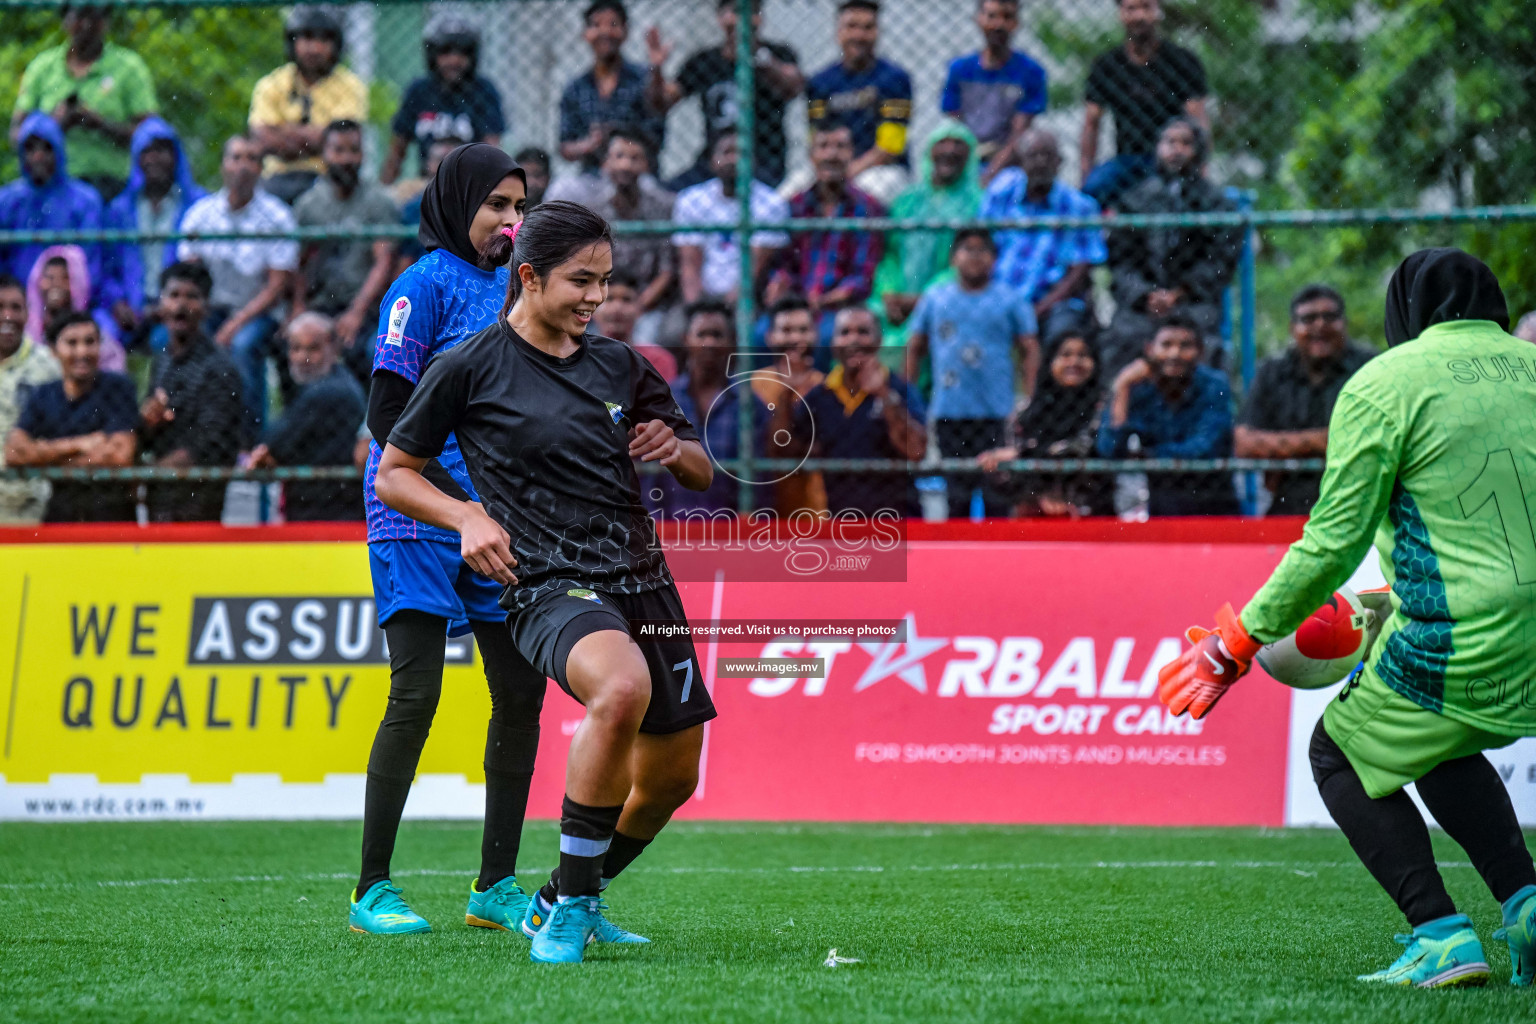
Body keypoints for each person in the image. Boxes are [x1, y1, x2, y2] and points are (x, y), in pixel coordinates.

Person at [1157, 248, 1536, 989]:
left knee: (1339, 753)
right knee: (1431, 740)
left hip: (1465, 637)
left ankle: (1439, 935)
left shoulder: (1387, 382)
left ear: (1404, 313)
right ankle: (1529, 907)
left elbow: (1331, 545)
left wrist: (1233, 646)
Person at [375, 201, 717, 963]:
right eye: (581, 281)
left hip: (642, 578)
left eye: (606, 280)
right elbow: (395, 473)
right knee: (619, 689)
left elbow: (699, 467)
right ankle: (566, 919)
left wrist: (673, 447)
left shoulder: (624, 364)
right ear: (528, 276)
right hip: (545, 582)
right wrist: (465, 517)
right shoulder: (467, 366)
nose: (598, 298)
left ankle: (565, 896)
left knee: (669, 780)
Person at [350, 144, 549, 940]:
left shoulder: (516, 289)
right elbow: (383, 419)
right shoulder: (422, 284)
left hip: (489, 522)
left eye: (520, 206)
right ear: (458, 201)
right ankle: (371, 889)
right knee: (417, 692)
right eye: (498, 203)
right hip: (417, 512)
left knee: (522, 692)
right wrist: (460, 501)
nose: (511, 219)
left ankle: (494, 885)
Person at [906, 229, 1038, 518]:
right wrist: (910, 394)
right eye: (967, 249)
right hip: (950, 412)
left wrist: (1029, 396)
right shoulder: (936, 297)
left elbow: (1029, 346)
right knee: (956, 496)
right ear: (954, 257)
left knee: (997, 495)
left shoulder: (1010, 299)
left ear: (994, 258)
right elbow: (915, 345)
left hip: (997, 412)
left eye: (983, 250)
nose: (975, 257)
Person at [177, 135, 299, 439]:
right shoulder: (200, 214)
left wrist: (235, 324)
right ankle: (195, 435)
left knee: (243, 347)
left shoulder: (277, 217)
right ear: (223, 165)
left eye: (252, 159)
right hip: (209, 309)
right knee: (174, 341)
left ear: (261, 169)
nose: (244, 166)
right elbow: (189, 276)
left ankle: (251, 441)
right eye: (236, 157)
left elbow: (276, 287)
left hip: (258, 313)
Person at [1101, 117, 1240, 377]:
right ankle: (1114, 413)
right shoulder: (1134, 201)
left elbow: (1221, 262)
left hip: (1193, 302)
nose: (1177, 150)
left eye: (1185, 143)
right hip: (1143, 306)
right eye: (1170, 142)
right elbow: (1120, 263)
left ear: (1198, 151)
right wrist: (1146, 294)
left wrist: (1180, 291)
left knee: (1206, 343)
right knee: (1121, 337)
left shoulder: (1216, 203)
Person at [1235, 285, 1375, 516]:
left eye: (1329, 317)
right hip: (1289, 502)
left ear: (1344, 324)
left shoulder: (1369, 367)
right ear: (1293, 328)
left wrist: (1281, 448)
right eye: (1309, 319)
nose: (1320, 325)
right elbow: (1245, 443)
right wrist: (1327, 440)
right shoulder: (1272, 372)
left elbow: (1372, 437)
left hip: (1357, 502)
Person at [781, 305, 926, 517]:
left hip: (897, 522)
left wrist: (884, 396)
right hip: (839, 524)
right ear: (832, 344)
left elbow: (916, 452)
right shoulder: (820, 396)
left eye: (863, 332)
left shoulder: (899, 389)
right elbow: (787, 453)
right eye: (845, 332)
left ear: (878, 341)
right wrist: (786, 394)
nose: (853, 340)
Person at [644, 0, 803, 189]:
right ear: (720, 18)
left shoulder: (778, 54)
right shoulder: (705, 61)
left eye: (752, 12)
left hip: (765, 162)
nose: (742, 19)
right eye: (735, 12)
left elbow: (794, 88)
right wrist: (657, 69)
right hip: (713, 162)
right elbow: (661, 104)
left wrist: (758, 55)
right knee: (667, 194)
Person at [10, 2, 157, 201]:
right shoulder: (42, 69)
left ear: (106, 22)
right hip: (53, 186)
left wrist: (100, 124)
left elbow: (150, 135)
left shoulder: (129, 67)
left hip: (113, 184)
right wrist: (54, 126)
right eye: (79, 16)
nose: (87, 24)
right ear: (65, 21)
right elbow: (17, 134)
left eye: (95, 17)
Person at [1096, 312, 1236, 516]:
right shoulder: (1137, 388)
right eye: (1166, 345)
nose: (1174, 354)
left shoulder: (1215, 385)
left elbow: (1203, 449)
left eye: (1185, 346)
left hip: (1212, 501)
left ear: (1200, 352)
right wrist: (1122, 387)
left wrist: (1149, 456)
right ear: (1150, 349)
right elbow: (1109, 450)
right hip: (1162, 503)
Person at [546, 129, 678, 346]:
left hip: (648, 302)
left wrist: (636, 307)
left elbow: (666, 270)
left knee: (649, 340)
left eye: (635, 158)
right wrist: (603, 305)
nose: (625, 165)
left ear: (646, 165)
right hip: (600, 299)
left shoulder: (662, 206)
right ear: (605, 164)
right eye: (619, 156)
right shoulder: (594, 209)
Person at [6, 311, 137, 522]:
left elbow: (119, 456)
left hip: (110, 517)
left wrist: (44, 455)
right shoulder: (43, 394)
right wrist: (80, 443)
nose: (82, 351)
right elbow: (13, 453)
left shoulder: (118, 387)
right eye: (72, 343)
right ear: (53, 350)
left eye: (90, 342)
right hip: (59, 516)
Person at [139, 261, 244, 523]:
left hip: (200, 496)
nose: (181, 305)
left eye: (192, 297)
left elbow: (208, 445)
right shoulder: (162, 358)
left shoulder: (220, 368)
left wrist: (146, 475)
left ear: (206, 307)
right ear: (161, 304)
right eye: (174, 296)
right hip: (162, 493)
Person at [293, 120, 399, 378]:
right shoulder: (308, 205)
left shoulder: (378, 201)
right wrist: (297, 308)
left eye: (354, 150)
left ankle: (370, 417)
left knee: (370, 349)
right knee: (295, 345)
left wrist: (356, 312)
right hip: (321, 303)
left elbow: (383, 261)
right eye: (338, 150)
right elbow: (300, 263)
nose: (347, 158)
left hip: (369, 307)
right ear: (324, 155)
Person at [981, 129, 1107, 342]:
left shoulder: (1080, 206)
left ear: (1059, 162)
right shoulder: (1001, 195)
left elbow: (1079, 271)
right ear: (1020, 161)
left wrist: (1038, 311)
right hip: (999, 297)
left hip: (1055, 303)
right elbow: (983, 249)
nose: (1040, 162)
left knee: (1063, 330)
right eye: (1033, 156)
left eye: (1048, 155)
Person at [1081, 0, 1209, 209]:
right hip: (1125, 160)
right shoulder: (1106, 65)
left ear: (1159, 11)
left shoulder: (1182, 62)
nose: (1139, 16)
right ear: (1121, 14)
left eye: (1146, 7)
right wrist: (1085, 174)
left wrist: (1201, 173)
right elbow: (1091, 124)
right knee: (1091, 192)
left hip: (1171, 159)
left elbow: (1198, 121)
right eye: (1131, 9)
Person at [873, 119, 984, 356]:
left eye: (958, 144)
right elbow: (890, 254)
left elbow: (971, 263)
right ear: (929, 151)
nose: (950, 151)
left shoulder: (978, 204)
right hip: (897, 300)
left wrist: (923, 299)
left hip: (950, 298)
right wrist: (889, 292)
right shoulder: (907, 201)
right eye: (942, 143)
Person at [767, 123, 885, 341]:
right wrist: (779, 284)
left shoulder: (868, 208)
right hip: (796, 304)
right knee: (760, 335)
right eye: (823, 146)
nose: (832, 154)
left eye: (840, 147)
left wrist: (824, 300)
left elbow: (862, 276)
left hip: (841, 307)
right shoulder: (796, 206)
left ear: (852, 154)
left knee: (825, 337)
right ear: (811, 156)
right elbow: (784, 264)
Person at [978, 330, 1111, 517]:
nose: (1074, 362)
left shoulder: (1104, 406)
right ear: (1050, 362)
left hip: (1089, 504)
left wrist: (1022, 454)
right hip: (1034, 503)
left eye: (1083, 355)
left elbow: (1085, 447)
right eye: (1065, 355)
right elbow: (1007, 459)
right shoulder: (1027, 411)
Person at [248, 312, 365, 522]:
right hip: (324, 506)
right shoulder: (333, 383)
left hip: (327, 512)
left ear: (333, 348)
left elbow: (273, 443)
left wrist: (269, 453)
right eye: (295, 348)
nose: (303, 357)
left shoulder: (328, 392)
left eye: (313, 348)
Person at [656, 298, 767, 518]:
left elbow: (760, 480)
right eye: (702, 334)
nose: (710, 342)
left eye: (717, 335)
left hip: (731, 533)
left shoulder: (748, 404)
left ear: (731, 342)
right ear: (686, 340)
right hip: (671, 529)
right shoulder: (663, 399)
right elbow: (652, 478)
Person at [249, 5, 368, 205]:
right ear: (292, 42)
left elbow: (342, 141)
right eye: (307, 38)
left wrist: (283, 132)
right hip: (276, 178)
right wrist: (318, 138)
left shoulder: (351, 86)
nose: (314, 48)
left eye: (323, 40)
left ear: (336, 44)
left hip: (328, 178)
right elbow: (263, 140)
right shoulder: (271, 84)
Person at [103, 117, 208, 342]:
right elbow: (107, 267)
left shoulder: (197, 205)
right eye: (146, 152)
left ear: (175, 156)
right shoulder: (120, 209)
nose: (154, 159)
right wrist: (118, 303)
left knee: (164, 342)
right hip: (130, 308)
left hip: (178, 309)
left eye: (161, 151)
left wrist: (173, 304)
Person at [805, 1, 914, 203]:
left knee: (870, 193)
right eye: (852, 26)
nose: (859, 35)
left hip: (881, 170)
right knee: (789, 193)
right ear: (838, 32)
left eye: (867, 28)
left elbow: (890, 147)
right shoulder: (820, 82)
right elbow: (816, 139)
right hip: (830, 167)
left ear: (878, 32)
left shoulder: (895, 79)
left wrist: (847, 173)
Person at [381, 14, 505, 187]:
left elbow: (492, 153)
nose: (454, 60)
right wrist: (385, 190)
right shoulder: (419, 91)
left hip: (469, 184)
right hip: (426, 183)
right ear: (432, 55)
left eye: (463, 52)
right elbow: (397, 150)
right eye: (445, 52)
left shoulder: (483, 91)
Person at [671, 129, 790, 306]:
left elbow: (753, 269)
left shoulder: (771, 203)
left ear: (754, 161)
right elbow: (690, 267)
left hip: (750, 299)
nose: (733, 159)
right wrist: (696, 309)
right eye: (726, 152)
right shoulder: (691, 199)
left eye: (741, 153)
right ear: (712, 161)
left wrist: (726, 310)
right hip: (702, 297)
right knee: (673, 331)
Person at [940, 0, 1048, 184]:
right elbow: (955, 125)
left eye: (1007, 17)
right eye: (992, 16)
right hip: (966, 157)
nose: (999, 24)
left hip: (1009, 161)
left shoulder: (1030, 72)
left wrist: (990, 174)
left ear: (1016, 23)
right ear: (978, 19)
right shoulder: (960, 69)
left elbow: (1019, 133)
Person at [0, 112, 107, 297]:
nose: (38, 156)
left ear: (59, 150)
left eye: (47, 148)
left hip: (71, 302)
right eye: (30, 148)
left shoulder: (85, 200)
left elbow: (92, 264)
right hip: (16, 304)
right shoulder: (8, 200)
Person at [560, 1, 667, 175]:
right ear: (585, 34)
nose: (605, 31)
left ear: (626, 32)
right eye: (596, 25)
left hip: (638, 176)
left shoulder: (644, 78)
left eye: (613, 24)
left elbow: (657, 132)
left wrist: (657, 71)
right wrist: (590, 144)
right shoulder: (575, 88)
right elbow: (565, 148)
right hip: (593, 177)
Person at [755, 294, 827, 518]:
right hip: (765, 510)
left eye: (803, 330)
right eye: (786, 330)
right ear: (770, 337)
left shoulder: (828, 387)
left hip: (816, 512)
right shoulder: (753, 386)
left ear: (815, 335)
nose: (795, 337)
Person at [0, 273, 61, 524]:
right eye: (0, 307)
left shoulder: (47, 365)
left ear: (27, 313)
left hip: (30, 505)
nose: (7, 316)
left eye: (16, 307)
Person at [25, 246, 125, 373]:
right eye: (49, 277)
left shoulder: (98, 336)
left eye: (65, 277)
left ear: (79, 282)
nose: (56, 284)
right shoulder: (27, 334)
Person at [593, 269, 677, 383]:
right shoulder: (574, 359)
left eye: (626, 300)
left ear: (639, 310)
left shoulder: (658, 361)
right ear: (592, 309)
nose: (617, 308)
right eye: (609, 299)